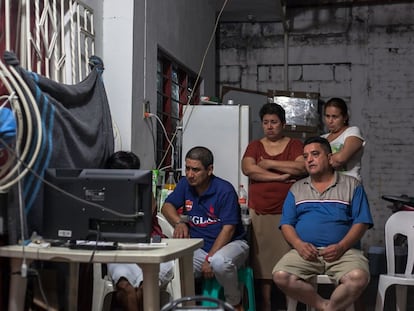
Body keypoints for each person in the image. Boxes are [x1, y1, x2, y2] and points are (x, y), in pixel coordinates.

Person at [272, 137, 373, 311]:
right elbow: (287, 224)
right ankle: (324, 306)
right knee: (281, 275)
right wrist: (298, 245)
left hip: (345, 252)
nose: (309, 159)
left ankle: (329, 307)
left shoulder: (351, 186)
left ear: (329, 157)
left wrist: (341, 247)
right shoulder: (297, 189)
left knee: (359, 277)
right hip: (305, 253)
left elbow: (362, 222)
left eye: (315, 154)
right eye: (305, 156)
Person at [161, 146, 249, 311]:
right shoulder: (185, 185)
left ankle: (235, 303)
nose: (190, 174)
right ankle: (184, 306)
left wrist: (210, 258)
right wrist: (179, 221)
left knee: (219, 262)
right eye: (187, 168)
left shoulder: (225, 190)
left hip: (231, 244)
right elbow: (166, 207)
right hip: (199, 248)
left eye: (196, 170)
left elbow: (228, 229)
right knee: (171, 266)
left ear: (209, 170)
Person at [241, 102, 306, 311]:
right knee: (262, 261)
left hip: (288, 211)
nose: (269, 126)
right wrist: (281, 178)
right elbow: (249, 169)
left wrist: (269, 164)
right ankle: (266, 303)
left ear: (283, 124)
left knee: (288, 258)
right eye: (266, 122)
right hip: (260, 209)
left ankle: (289, 304)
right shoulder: (255, 145)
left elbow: (302, 166)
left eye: (274, 122)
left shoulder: (295, 144)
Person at [106, 151, 174, 311]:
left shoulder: (145, 192)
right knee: (126, 288)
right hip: (120, 252)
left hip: (150, 248)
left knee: (145, 287)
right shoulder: (105, 194)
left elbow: (142, 221)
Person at [321, 97, 365, 181]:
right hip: (329, 186)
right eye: (327, 116)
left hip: (350, 184)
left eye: (335, 117)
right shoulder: (322, 138)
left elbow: (341, 159)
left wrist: (320, 162)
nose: (330, 121)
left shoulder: (352, 131)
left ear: (345, 117)